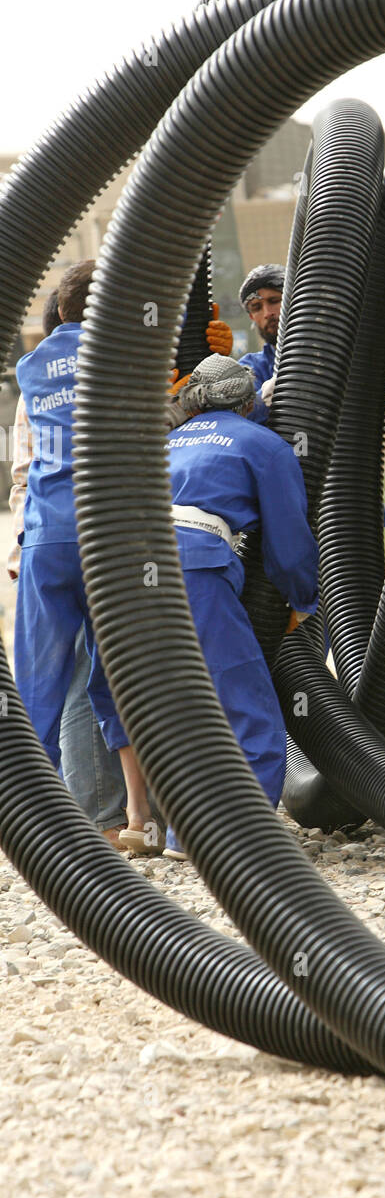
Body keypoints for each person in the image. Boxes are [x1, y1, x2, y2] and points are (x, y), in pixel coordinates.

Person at [12, 262, 159, 847]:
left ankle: (28, 822)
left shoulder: (31, 365)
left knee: (36, 685)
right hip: (115, 538)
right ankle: (140, 819)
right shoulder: (126, 360)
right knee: (118, 679)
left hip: (48, 539)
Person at [164, 353, 319, 855]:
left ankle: (179, 832)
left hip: (126, 570)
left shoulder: (169, 440)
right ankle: (244, 838)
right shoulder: (262, 443)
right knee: (249, 708)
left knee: (179, 704)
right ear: (251, 401)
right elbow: (289, 539)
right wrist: (301, 598)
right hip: (196, 569)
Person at [237, 264, 285, 392]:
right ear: (252, 317)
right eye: (257, 307)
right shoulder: (251, 367)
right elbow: (243, 408)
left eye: (274, 300)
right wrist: (262, 399)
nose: (267, 313)